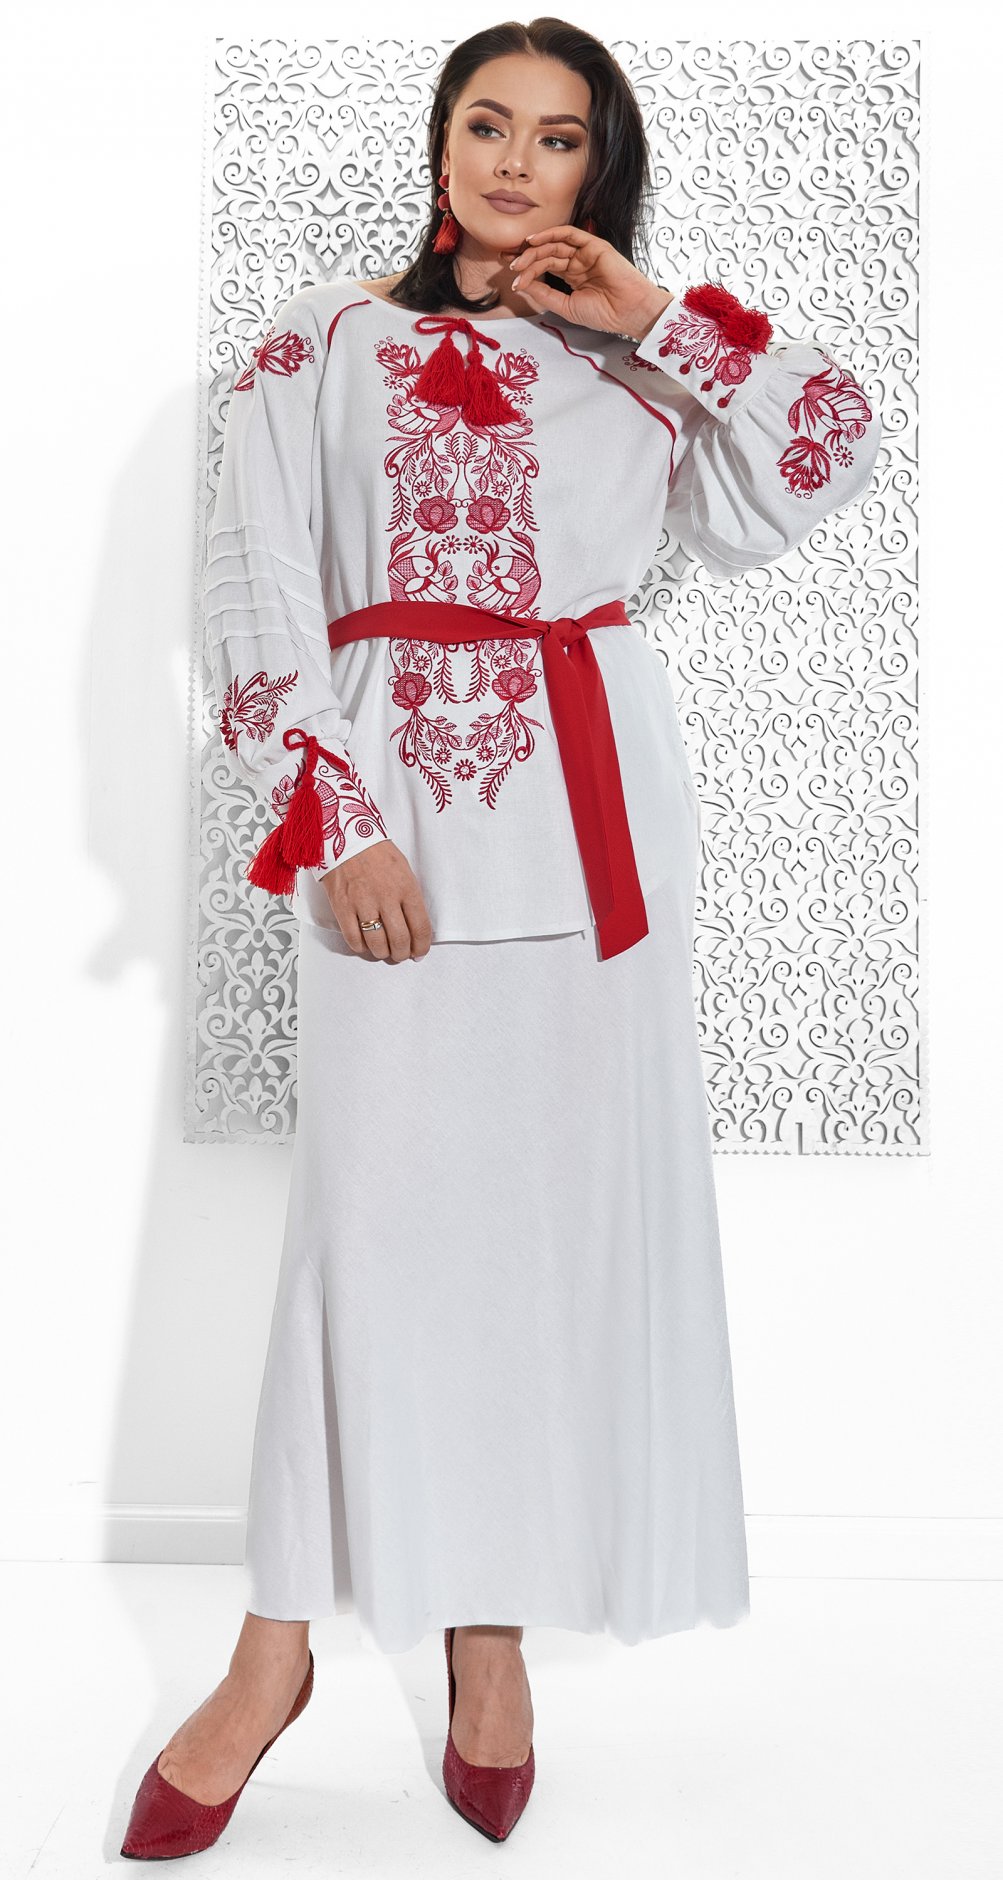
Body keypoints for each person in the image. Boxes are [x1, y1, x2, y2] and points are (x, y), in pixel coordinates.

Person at [121, 18, 881, 1857]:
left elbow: (832, 451)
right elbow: (255, 582)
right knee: (365, 1241)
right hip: (393, 824)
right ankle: (275, 1647)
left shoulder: (640, 364)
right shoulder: (319, 342)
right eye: (488, 123)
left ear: (597, 167)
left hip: (597, 848)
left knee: (545, 1249)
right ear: (440, 142)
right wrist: (338, 812)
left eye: (558, 137)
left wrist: (658, 318)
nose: (517, 163)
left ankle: (490, 1637)